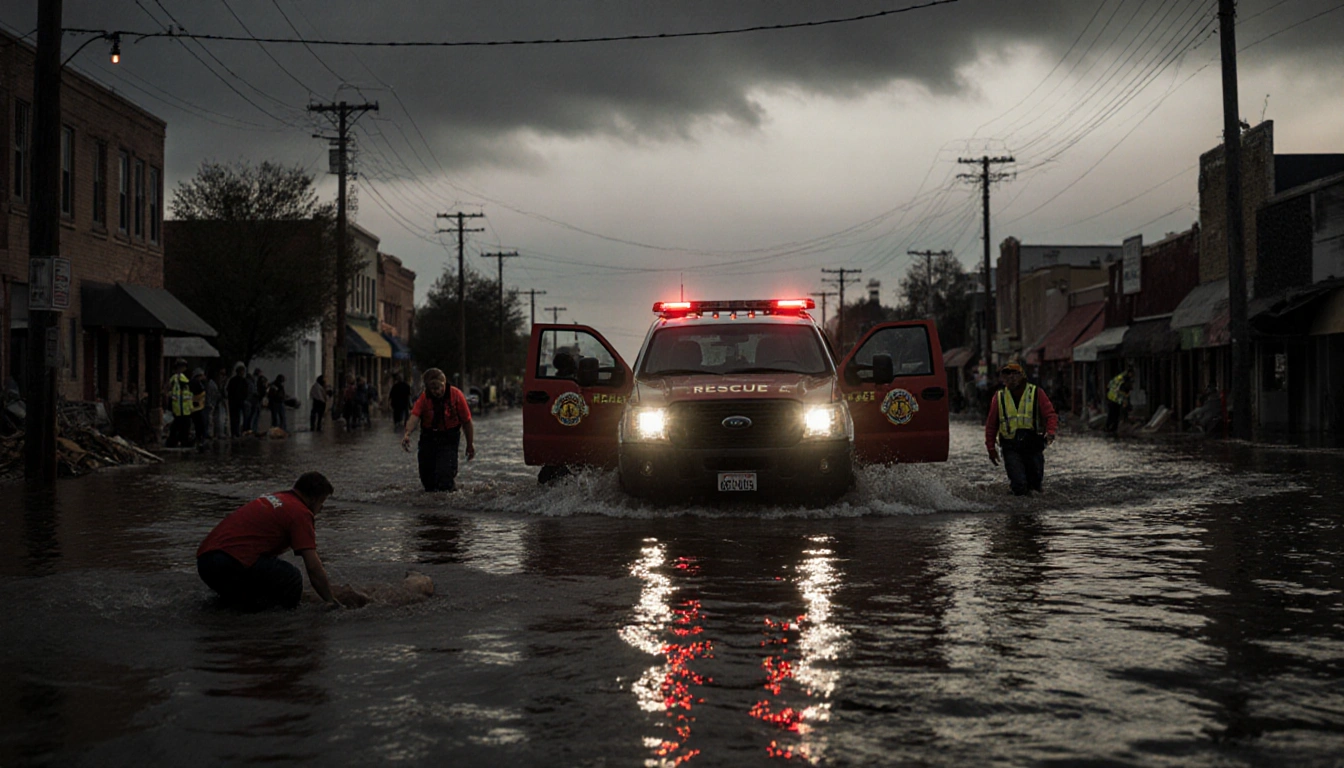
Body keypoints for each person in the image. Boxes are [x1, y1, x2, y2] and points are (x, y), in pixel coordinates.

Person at [196, 471, 343, 610]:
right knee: (291, 577)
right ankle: (277, 622)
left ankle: (233, 606)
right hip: (228, 562)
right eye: (322, 502)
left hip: (205, 561)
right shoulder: (300, 513)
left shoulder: (276, 498)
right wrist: (330, 600)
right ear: (313, 499)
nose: (321, 508)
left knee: (260, 584)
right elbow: (313, 567)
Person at [985, 362, 1059, 496]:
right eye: (1006, 375)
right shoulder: (999, 397)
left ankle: (1030, 514)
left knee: (1035, 486)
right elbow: (991, 425)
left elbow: (1050, 415)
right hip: (1010, 445)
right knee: (1019, 484)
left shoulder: (1036, 392)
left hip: (1033, 444)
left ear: (1022, 376)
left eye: (1014, 374)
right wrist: (991, 448)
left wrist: (1050, 432)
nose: (1010, 378)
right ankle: (1017, 513)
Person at [400, 367, 476, 492]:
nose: (438, 391)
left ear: (445, 383)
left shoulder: (456, 395)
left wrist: (470, 444)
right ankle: (432, 508)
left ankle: (448, 501)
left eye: (440, 387)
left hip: (449, 437)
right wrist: (407, 434)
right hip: (429, 437)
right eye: (434, 389)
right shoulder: (424, 398)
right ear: (428, 388)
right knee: (427, 477)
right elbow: (414, 416)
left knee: (445, 474)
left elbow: (467, 422)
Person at [165, 359, 194, 447]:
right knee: (178, 426)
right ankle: (177, 441)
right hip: (180, 408)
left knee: (182, 426)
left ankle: (180, 441)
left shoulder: (183, 378)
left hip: (183, 408)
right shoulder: (176, 379)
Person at [1105, 366, 1134, 436]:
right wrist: (1125, 400)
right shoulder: (1124, 380)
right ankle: (1112, 428)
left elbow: (1109, 385)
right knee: (1114, 414)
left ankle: (1109, 428)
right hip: (1115, 398)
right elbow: (1123, 392)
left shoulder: (1120, 377)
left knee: (1112, 414)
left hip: (1111, 397)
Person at [226, 364, 249, 438]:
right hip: (239, 401)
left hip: (233, 401)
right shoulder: (243, 381)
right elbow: (246, 391)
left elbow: (228, 390)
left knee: (234, 418)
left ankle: (235, 432)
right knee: (240, 417)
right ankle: (239, 432)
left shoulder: (232, 380)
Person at [189, 368, 209, 445]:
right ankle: (199, 438)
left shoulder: (200, 383)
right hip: (197, 407)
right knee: (199, 424)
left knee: (199, 424)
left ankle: (199, 438)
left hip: (198, 406)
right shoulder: (196, 383)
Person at [248, 369, 266, 435]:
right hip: (255, 399)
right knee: (255, 414)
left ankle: (253, 429)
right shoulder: (255, 380)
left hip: (256, 399)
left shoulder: (255, 380)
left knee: (255, 414)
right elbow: (255, 390)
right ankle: (252, 429)